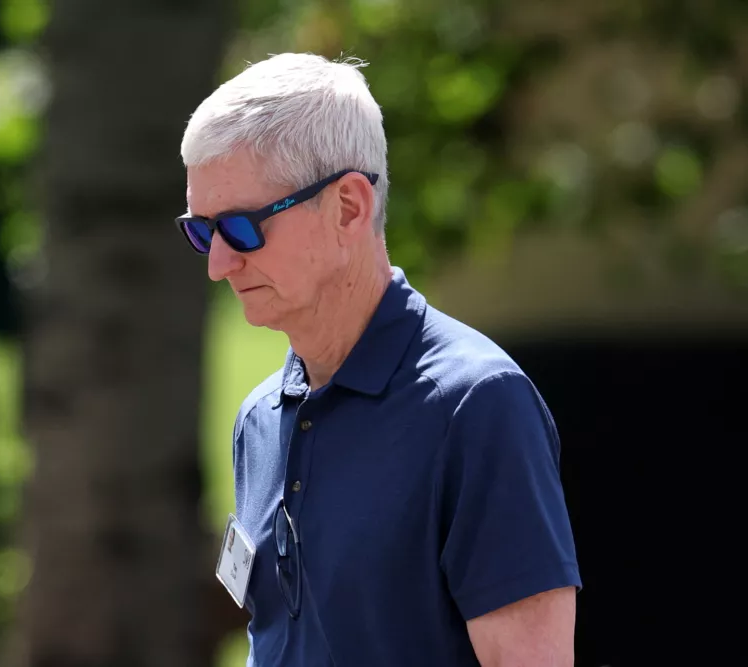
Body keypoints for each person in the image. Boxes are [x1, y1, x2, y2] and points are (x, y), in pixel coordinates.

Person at [175, 53, 581, 667]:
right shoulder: (258, 419)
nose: (218, 264)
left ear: (348, 207)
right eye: (203, 231)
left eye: (241, 227)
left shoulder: (477, 403)